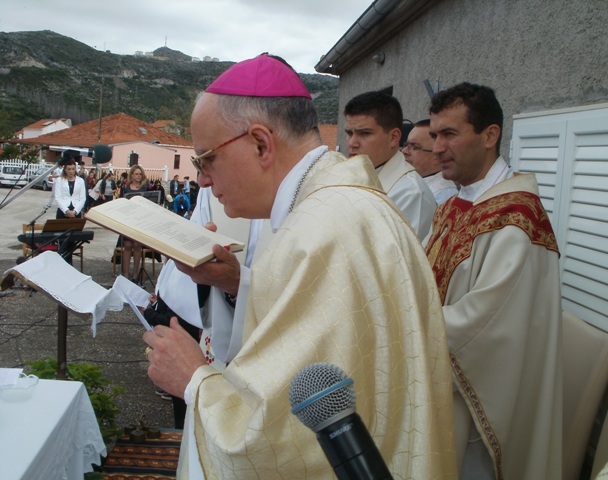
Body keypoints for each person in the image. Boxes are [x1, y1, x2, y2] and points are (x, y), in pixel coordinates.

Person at [143, 54, 456, 479]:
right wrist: (238, 282)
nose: (201, 180)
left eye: (206, 159)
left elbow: (285, 439)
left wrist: (194, 380)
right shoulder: (333, 207)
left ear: (260, 144)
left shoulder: (322, 230)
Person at [424, 82, 562, 479]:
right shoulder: (454, 204)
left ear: (490, 135)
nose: (436, 148)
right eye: (434, 135)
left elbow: (486, 327)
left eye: (449, 133)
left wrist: (404, 316)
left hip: (477, 402)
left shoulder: (517, 217)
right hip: (441, 385)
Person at [344, 90, 437, 242]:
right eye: (349, 133)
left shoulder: (411, 194)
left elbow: (403, 261)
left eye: (365, 133)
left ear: (394, 138)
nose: (352, 143)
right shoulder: (354, 176)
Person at [402, 119, 458, 205]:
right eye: (406, 145)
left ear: (436, 155)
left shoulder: (442, 195)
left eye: (414, 147)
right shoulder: (410, 180)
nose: (404, 151)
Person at [119, 165, 150, 281]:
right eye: (136, 174)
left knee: (137, 245)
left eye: (140, 174)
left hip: (140, 220)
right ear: (131, 175)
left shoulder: (145, 187)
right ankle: (126, 274)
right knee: (127, 245)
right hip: (128, 219)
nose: (138, 176)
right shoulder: (125, 187)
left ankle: (135, 274)